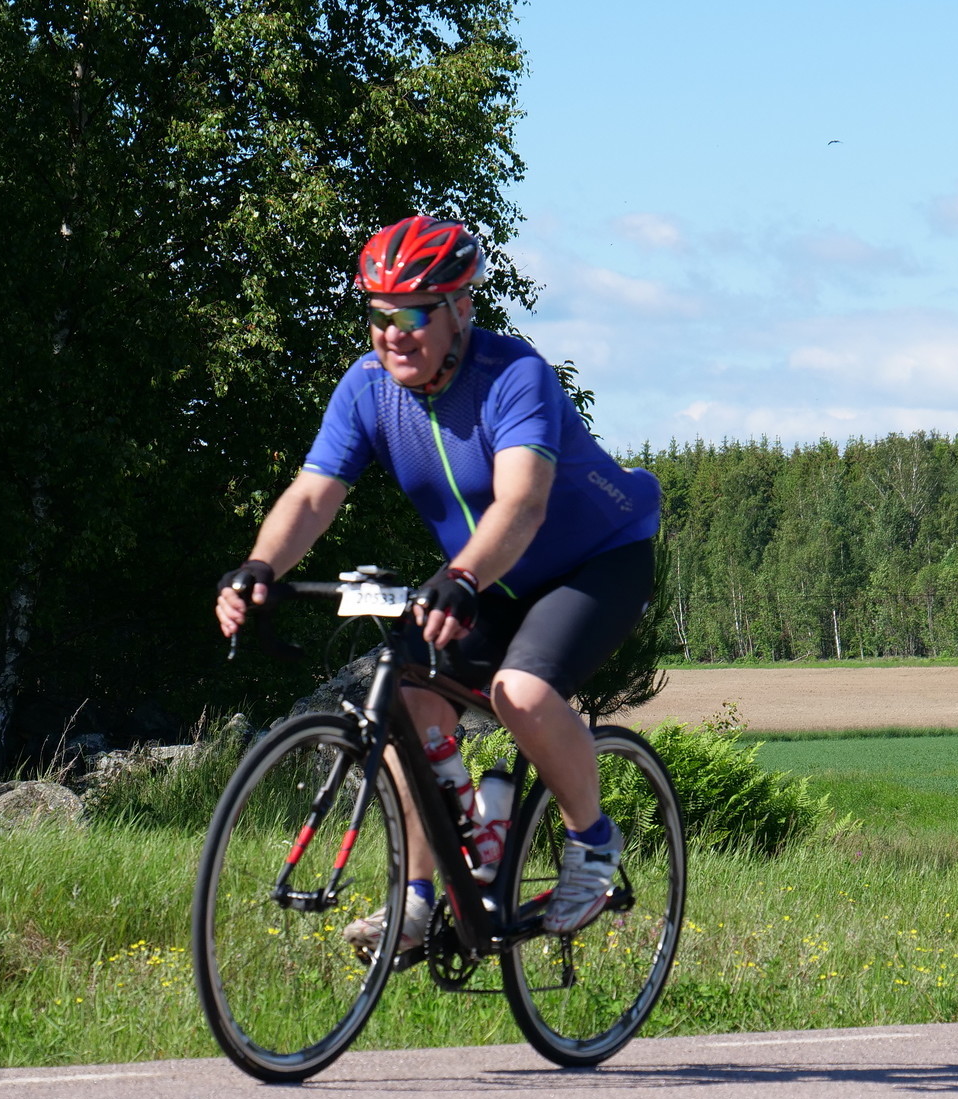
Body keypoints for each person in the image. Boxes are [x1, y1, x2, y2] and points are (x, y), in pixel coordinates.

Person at [214, 213, 661, 954]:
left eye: (413, 315)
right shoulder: (367, 390)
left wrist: (460, 575)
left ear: (460, 308)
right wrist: (261, 566)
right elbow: (314, 496)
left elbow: (522, 503)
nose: (393, 334)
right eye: (379, 315)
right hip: (487, 576)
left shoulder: (512, 376)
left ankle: (593, 843)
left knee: (522, 693)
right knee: (405, 701)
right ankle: (418, 898)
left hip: (595, 561)